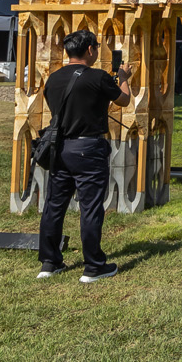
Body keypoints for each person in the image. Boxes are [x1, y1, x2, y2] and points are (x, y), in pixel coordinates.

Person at [37, 30, 134, 283]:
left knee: (54, 205)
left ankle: (49, 262)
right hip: (88, 148)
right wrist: (123, 77)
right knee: (90, 207)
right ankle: (93, 266)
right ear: (90, 50)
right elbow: (123, 100)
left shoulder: (54, 79)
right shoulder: (98, 77)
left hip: (60, 148)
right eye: (96, 47)